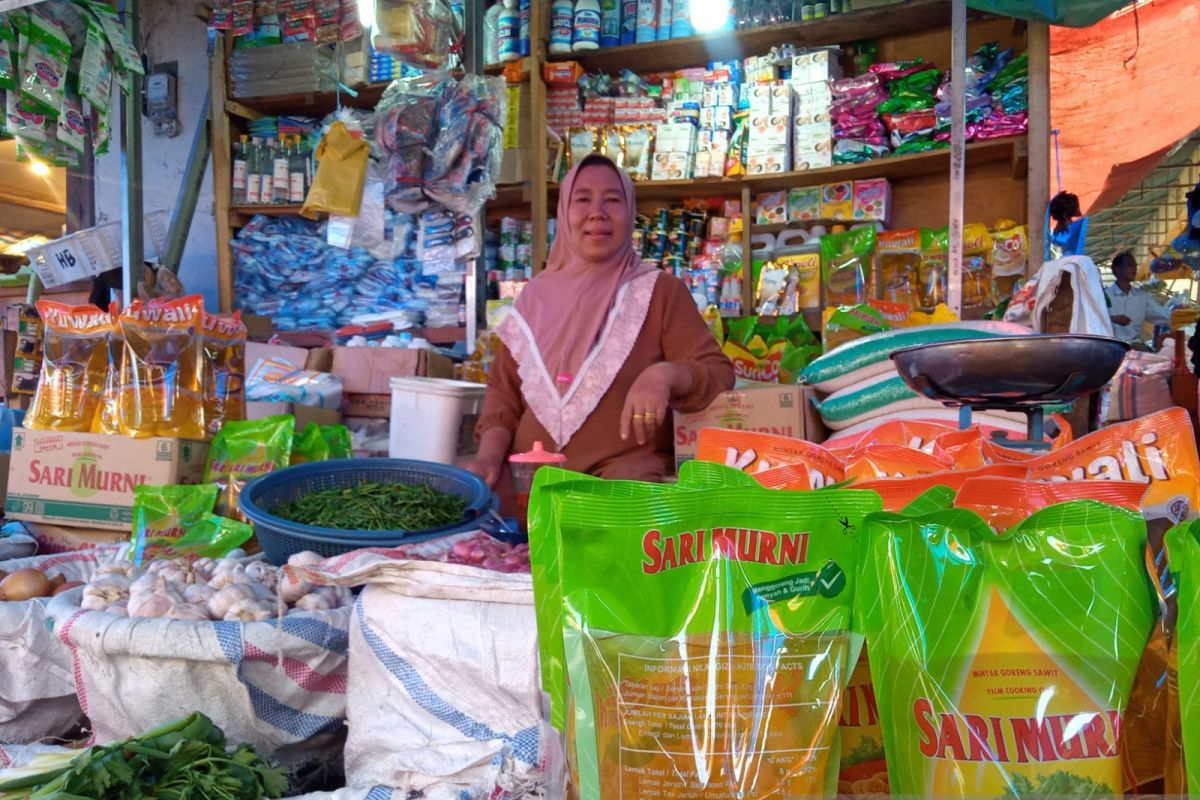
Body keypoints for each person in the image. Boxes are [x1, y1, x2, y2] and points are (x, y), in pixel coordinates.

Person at [471, 155, 735, 494]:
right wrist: (488, 458)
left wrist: (664, 375)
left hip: (622, 491)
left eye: (613, 200)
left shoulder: (659, 292)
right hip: (528, 494)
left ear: (630, 214)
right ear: (564, 213)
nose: (598, 212)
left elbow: (717, 373)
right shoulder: (533, 299)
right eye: (582, 199)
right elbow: (503, 396)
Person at [1106, 251, 1169, 350]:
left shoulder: (1142, 297)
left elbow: (1164, 316)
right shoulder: (1104, 296)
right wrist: (1113, 318)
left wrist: (1184, 314)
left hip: (1136, 347)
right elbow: (1092, 319)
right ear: (1117, 269)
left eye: (1135, 266)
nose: (1135, 269)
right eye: (1130, 265)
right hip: (1111, 347)